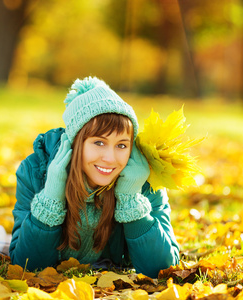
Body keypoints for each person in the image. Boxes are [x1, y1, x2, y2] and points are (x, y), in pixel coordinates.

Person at [9, 76, 179, 278]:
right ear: (75, 143)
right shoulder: (36, 172)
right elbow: (27, 266)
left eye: (122, 145)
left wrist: (131, 199)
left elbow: (162, 269)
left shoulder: (144, 180)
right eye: (99, 142)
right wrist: (51, 196)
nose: (110, 158)